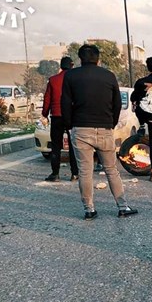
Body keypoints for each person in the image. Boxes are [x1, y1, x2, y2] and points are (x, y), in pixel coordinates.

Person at [61, 44, 138, 220]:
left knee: (84, 171)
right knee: (111, 169)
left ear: (80, 58)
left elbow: (65, 103)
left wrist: (69, 125)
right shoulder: (109, 76)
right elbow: (117, 104)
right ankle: (122, 206)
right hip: (104, 128)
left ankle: (89, 209)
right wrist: (111, 123)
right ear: (98, 58)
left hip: (81, 128)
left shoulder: (71, 76)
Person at [41, 56, 79, 182]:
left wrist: (45, 113)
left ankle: (55, 173)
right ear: (72, 66)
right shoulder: (75, 79)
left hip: (56, 115)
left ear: (61, 66)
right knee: (73, 145)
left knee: (56, 146)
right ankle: (74, 173)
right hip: (72, 116)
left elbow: (47, 99)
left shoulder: (53, 80)